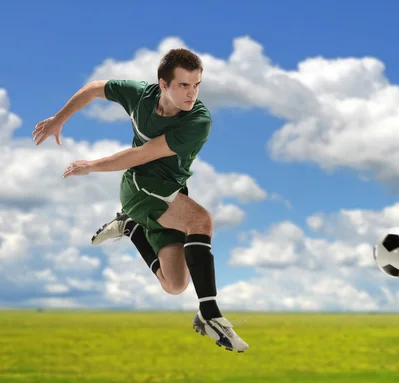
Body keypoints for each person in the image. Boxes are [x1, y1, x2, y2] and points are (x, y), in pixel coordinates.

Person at [32, 48, 249, 353]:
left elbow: (143, 152)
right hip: (140, 186)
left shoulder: (198, 121)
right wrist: (59, 119)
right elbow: (95, 89)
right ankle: (210, 314)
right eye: (183, 85)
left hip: (167, 193)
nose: (192, 93)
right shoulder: (139, 96)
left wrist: (93, 164)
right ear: (163, 85)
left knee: (174, 285)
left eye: (197, 84)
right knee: (201, 220)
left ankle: (131, 228)